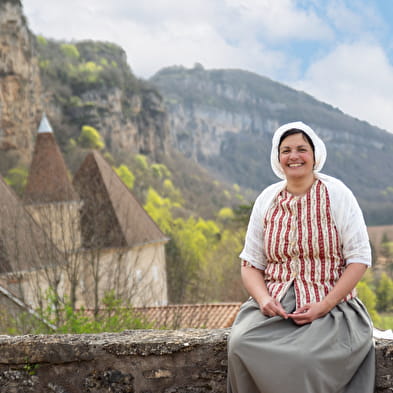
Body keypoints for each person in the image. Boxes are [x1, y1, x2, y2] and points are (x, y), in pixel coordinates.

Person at [227, 121, 375, 393]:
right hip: (275, 304)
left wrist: (325, 304)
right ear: (277, 157)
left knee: (303, 359)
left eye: (301, 149)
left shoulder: (337, 195)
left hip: (330, 306)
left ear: (315, 154)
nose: (294, 156)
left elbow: (359, 258)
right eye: (286, 150)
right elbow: (250, 264)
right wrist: (264, 299)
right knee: (239, 344)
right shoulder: (267, 200)